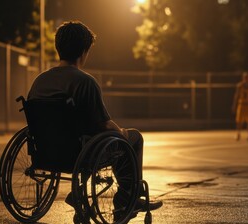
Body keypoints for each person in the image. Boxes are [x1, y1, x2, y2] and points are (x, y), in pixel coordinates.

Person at [27, 21, 162, 213]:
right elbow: (104, 125)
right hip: (79, 154)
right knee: (133, 138)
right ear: (84, 51)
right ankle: (127, 199)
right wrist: (121, 133)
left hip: (45, 153)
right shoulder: (85, 82)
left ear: (58, 48)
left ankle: (82, 194)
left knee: (89, 136)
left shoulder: (40, 81)